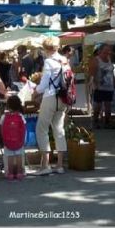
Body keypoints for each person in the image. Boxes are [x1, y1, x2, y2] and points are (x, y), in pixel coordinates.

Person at [31, 37, 68, 176]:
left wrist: (36, 91)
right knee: (59, 130)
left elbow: (45, 82)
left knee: (42, 129)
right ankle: (59, 165)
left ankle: (45, 165)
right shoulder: (64, 60)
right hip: (63, 98)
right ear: (57, 47)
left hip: (51, 97)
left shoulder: (48, 61)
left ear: (46, 49)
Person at [0, 94, 26, 180]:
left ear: (8, 105)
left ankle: (10, 173)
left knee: (10, 157)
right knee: (19, 156)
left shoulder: (4, 117)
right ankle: (19, 172)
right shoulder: (21, 116)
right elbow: (24, 127)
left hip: (8, 141)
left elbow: (1, 127)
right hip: (19, 140)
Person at [89, 44, 115, 129]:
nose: (107, 53)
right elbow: (92, 74)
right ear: (100, 51)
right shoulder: (96, 60)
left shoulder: (109, 59)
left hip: (109, 87)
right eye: (105, 51)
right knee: (98, 106)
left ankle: (107, 122)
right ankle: (95, 121)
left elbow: (111, 73)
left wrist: (114, 82)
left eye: (108, 51)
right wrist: (94, 85)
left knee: (108, 105)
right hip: (99, 87)